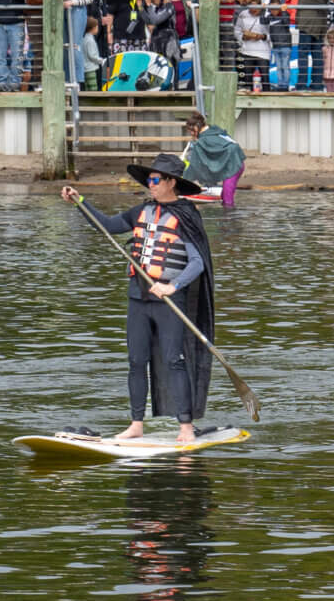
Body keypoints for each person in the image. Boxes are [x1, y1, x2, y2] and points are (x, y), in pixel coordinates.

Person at [62, 155, 217, 447]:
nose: (150, 184)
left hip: (169, 302)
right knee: (136, 361)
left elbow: (197, 263)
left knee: (174, 360)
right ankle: (136, 425)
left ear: (172, 183)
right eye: (149, 179)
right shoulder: (141, 211)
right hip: (138, 299)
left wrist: (173, 286)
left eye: (156, 180)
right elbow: (106, 225)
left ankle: (185, 426)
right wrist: (80, 201)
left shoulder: (186, 215)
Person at [181, 111, 247, 211]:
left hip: (233, 166)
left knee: (228, 203)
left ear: (195, 128)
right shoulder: (214, 130)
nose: (190, 134)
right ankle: (227, 221)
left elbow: (195, 165)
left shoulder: (203, 141)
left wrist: (182, 182)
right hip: (238, 163)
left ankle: (230, 222)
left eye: (190, 131)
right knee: (225, 197)